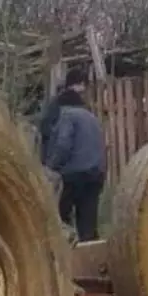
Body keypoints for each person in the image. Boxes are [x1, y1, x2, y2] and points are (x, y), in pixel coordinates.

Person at [47, 76, 107, 241]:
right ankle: (93, 258)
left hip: (74, 174)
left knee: (58, 216)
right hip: (96, 174)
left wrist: (50, 167)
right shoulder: (91, 117)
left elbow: (63, 145)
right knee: (88, 222)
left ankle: (66, 251)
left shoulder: (67, 115)